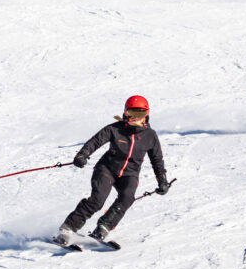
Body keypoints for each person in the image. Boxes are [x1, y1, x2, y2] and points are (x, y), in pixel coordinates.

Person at [53, 95, 170, 246]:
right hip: (107, 169)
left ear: (146, 115)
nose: (135, 118)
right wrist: (82, 155)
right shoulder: (115, 129)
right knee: (97, 200)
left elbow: (157, 160)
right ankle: (68, 229)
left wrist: (162, 181)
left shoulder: (150, 136)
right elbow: (96, 141)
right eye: (131, 114)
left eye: (139, 115)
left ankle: (103, 227)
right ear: (125, 113)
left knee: (127, 197)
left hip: (130, 173)